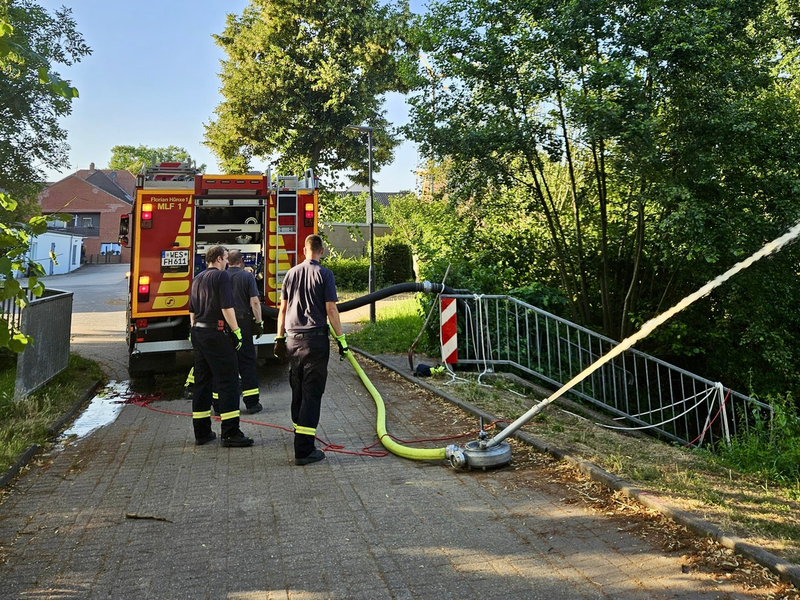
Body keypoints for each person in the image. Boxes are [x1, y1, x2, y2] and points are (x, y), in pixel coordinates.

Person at [275, 234, 348, 465]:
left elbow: (283, 309)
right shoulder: (325, 274)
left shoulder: (291, 273)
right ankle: (305, 450)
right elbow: (331, 309)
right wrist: (342, 340)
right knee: (312, 393)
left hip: (292, 340)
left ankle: (299, 435)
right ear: (322, 251)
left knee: (297, 388)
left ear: (304, 250)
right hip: (315, 341)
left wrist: (278, 338)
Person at [189, 245, 254, 447]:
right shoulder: (221, 277)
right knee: (228, 382)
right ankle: (231, 433)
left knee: (203, 382)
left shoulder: (197, 278)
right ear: (218, 259)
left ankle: (202, 432)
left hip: (199, 333)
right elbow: (227, 307)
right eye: (226, 258)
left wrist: (194, 332)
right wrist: (236, 332)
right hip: (216, 334)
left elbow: (191, 311)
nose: (227, 262)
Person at [227, 249, 264, 415]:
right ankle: (252, 404)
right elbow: (255, 302)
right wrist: (259, 322)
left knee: (225, 362)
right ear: (241, 260)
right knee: (247, 361)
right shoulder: (247, 277)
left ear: (227, 260)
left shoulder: (220, 276)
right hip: (242, 321)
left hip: (225, 323)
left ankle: (221, 405)